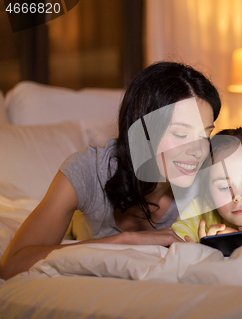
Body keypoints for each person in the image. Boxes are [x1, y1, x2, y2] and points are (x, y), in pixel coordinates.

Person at [0, 61, 222, 280]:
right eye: (181, 134)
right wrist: (126, 241)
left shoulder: (210, 178)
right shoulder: (88, 170)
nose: (197, 151)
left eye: (204, 136)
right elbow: (12, 265)